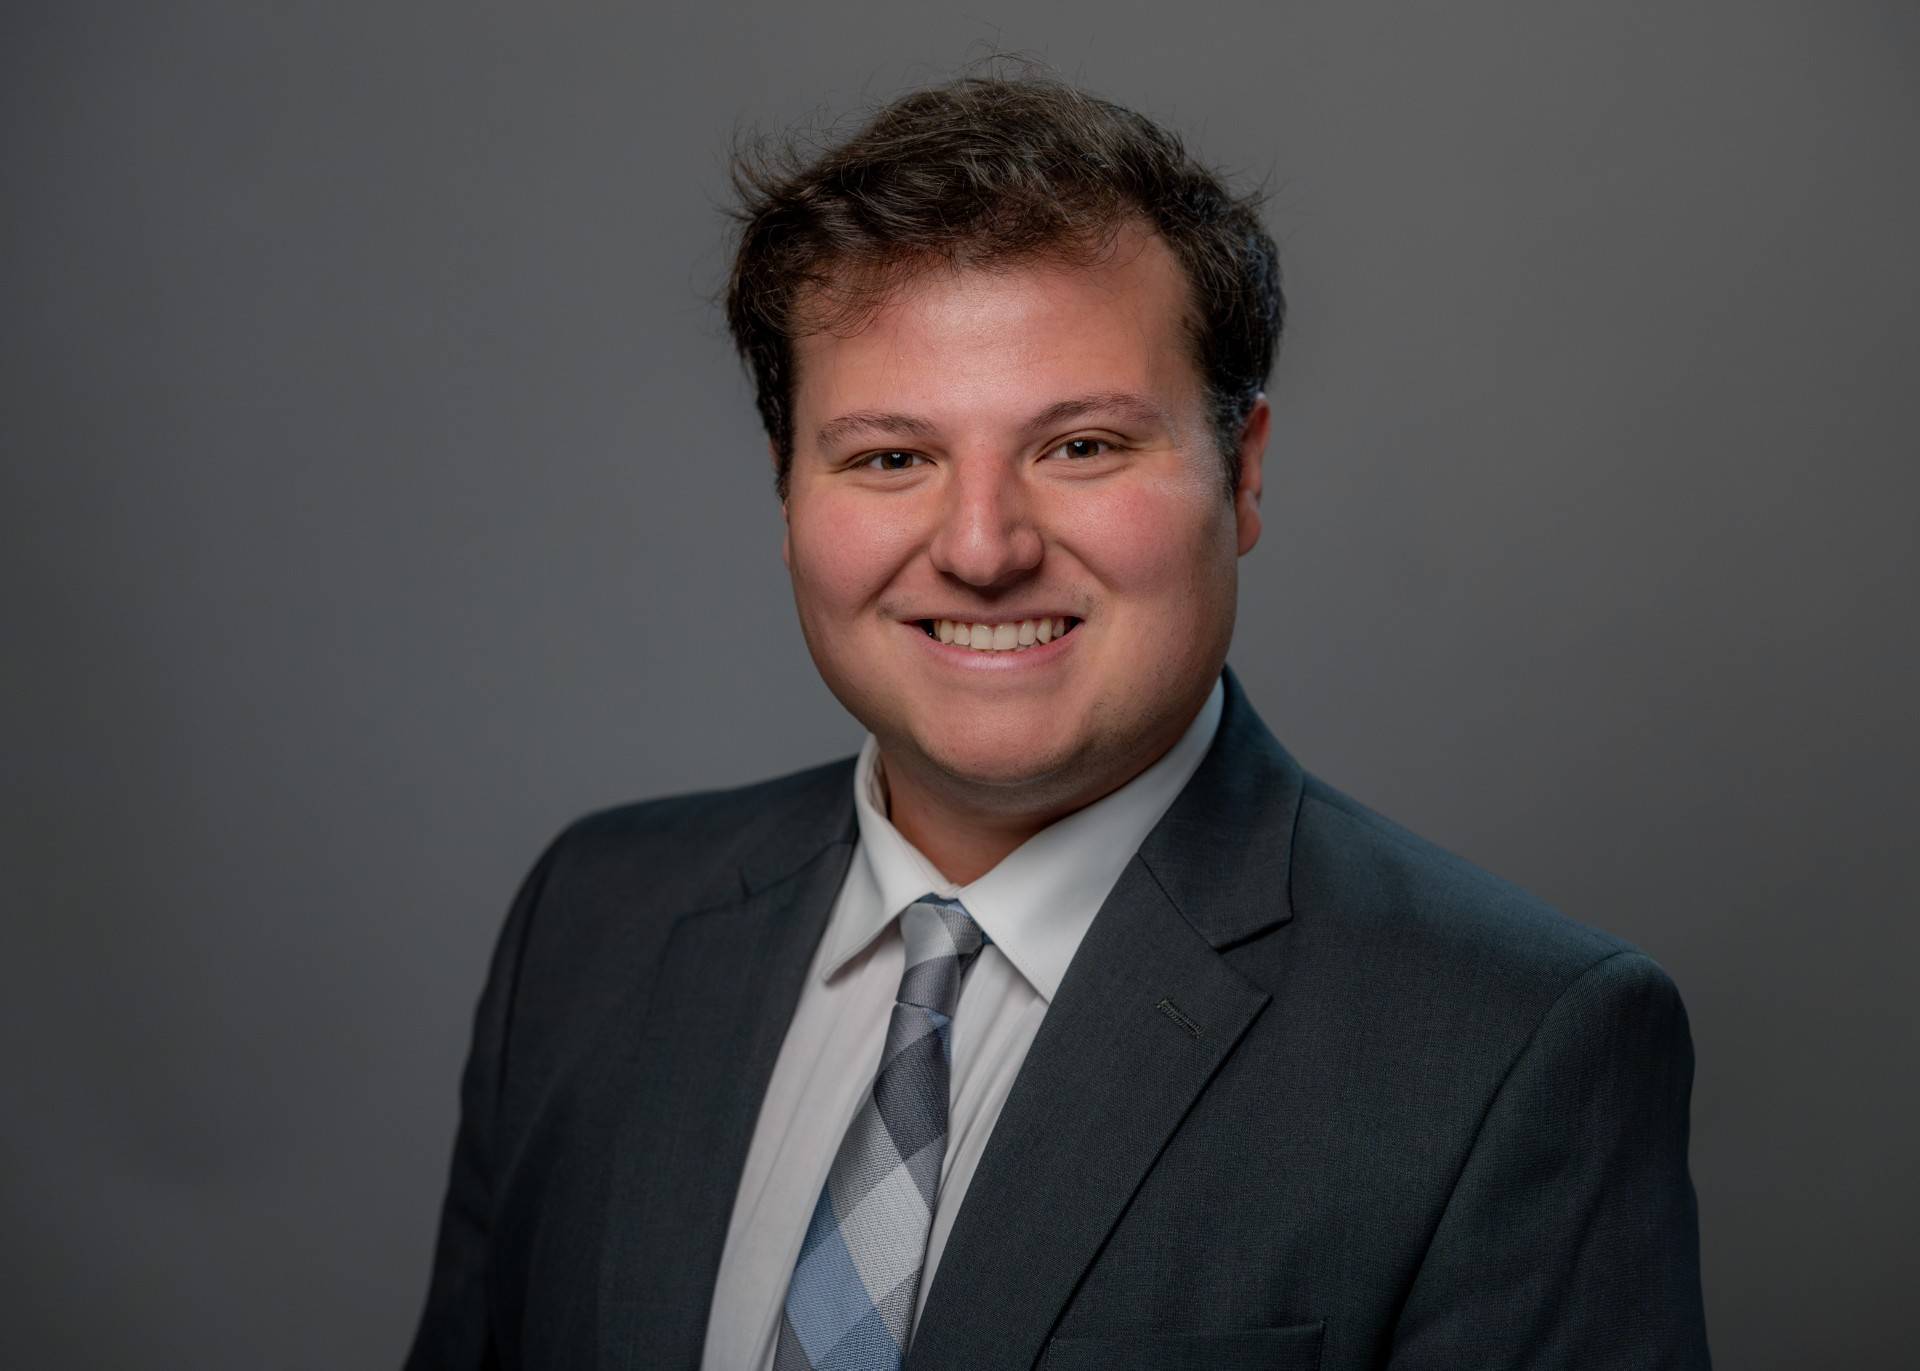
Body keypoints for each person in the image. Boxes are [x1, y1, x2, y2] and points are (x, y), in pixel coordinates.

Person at [402, 74, 1710, 1370]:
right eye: (890, 457)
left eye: (1080, 446)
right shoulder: (593, 923)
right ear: (788, 493)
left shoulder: (1509, 1043)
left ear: (1244, 470)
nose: (983, 550)